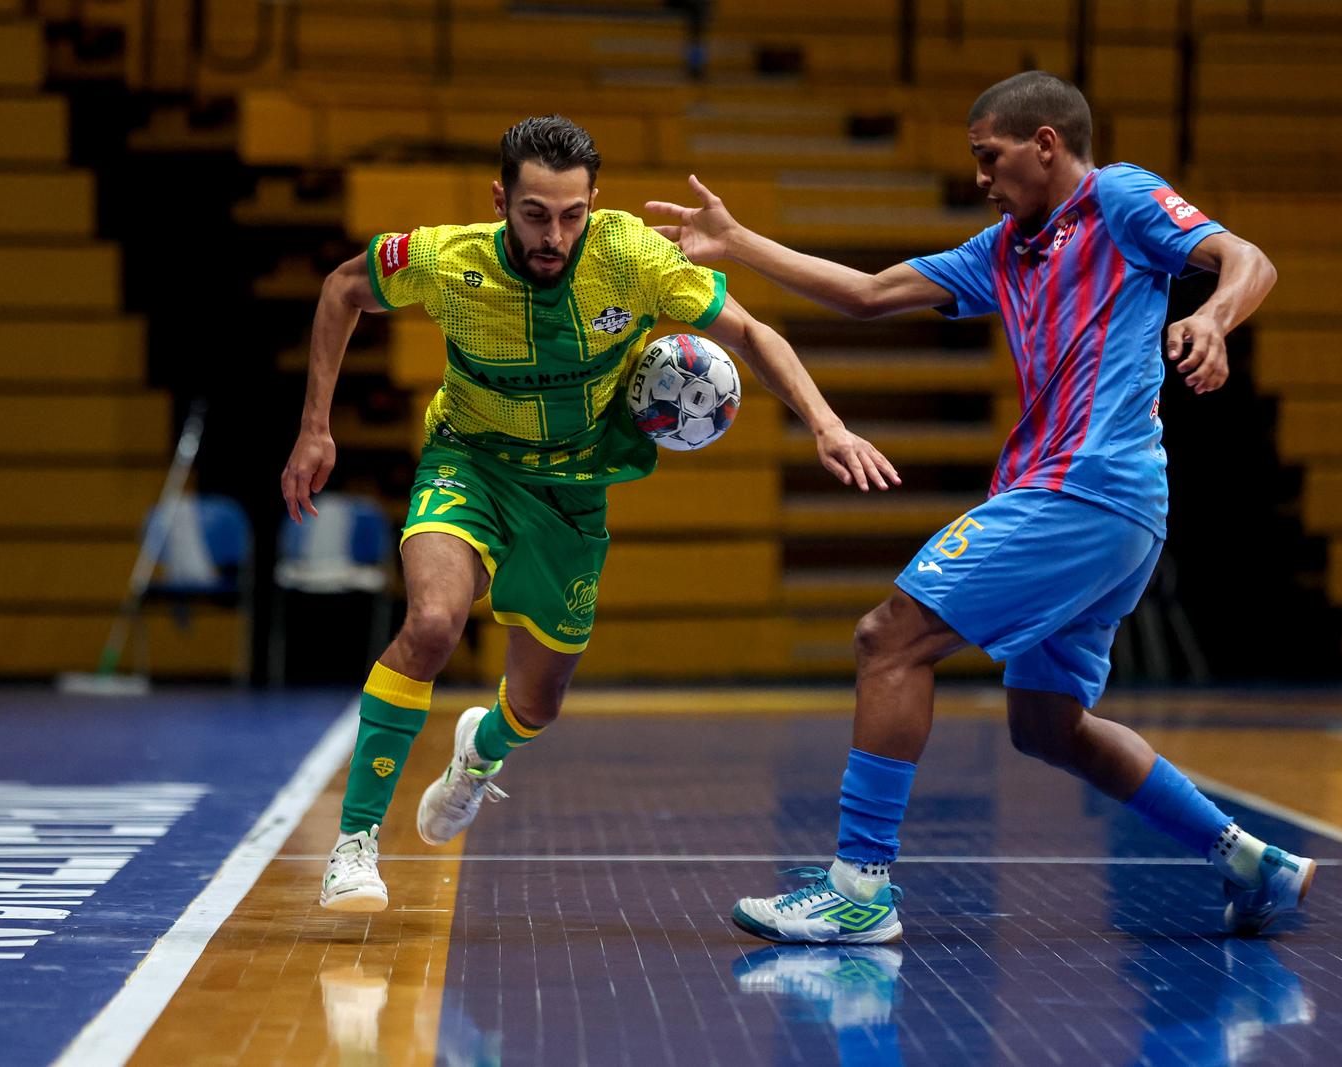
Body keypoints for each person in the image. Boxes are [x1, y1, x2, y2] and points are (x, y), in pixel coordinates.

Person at [647, 71, 1313, 943]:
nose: (979, 176)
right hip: (1109, 515)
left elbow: (1246, 260)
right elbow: (868, 293)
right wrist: (738, 243)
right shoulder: (1005, 250)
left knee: (889, 638)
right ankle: (1248, 858)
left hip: (1082, 490)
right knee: (1046, 724)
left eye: (988, 156)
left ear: (1045, 145)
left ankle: (861, 888)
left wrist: (1217, 318)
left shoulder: (1118, 196)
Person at [281, 115, 899, 913]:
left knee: (536, 704)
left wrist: (826, 421)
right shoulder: (447, 259)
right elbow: (342, 288)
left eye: (573, 215)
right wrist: (314, 426)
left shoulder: (631, 257)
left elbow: (749, 330)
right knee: (434, 621)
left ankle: (479, 753)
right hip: (468, 464)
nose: (555, 235)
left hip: (572, 494)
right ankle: (355, 843)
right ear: (501, 199)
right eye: (536, 214)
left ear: (594, 204)